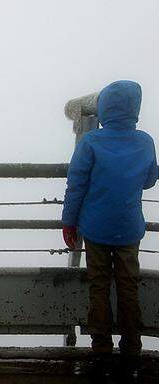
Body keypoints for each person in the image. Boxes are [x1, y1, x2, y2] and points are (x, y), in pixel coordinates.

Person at [62, 80, 157, 381]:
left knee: (99, 288)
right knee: (129, 287)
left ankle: (101, 351)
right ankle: (132, 350)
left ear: (103, 109)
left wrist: (69, 222)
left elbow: (76, 185)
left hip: (96, 229)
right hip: (129, 228)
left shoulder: (91, 142)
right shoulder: (144, 141)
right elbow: (150, 180)